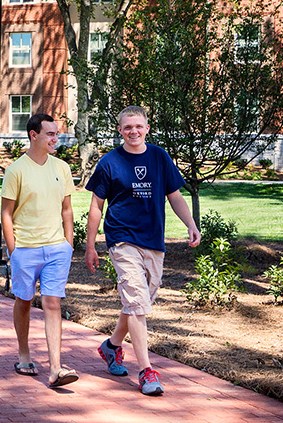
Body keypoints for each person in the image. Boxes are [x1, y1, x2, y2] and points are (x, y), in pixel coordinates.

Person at [84, 105, 200, 396]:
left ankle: (111, 347)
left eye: (138, 126)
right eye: (127, 127)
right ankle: (146, 371)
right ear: (120, 130)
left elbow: (174, 196)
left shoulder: (159, 157)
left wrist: (190, 224)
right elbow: (96, 206)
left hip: (153, 240)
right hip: (122, 239)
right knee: (137, 303)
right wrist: (90, 245)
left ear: (147, 128)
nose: (133, 131)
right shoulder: (109, 162)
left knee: (139, 301)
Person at [1, 112, 79, 388]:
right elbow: (6, 214)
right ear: (34, 135)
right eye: (50, 134)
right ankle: (24, 354)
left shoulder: (62, 168)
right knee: (24, 301)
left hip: (57, 249)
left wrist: (68, 244)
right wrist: (14, 251)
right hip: (26, 249)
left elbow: (67, 210)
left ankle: (56, 368)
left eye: (56, 133)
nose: (55, 138)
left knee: (52, 302)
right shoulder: (16, 170)